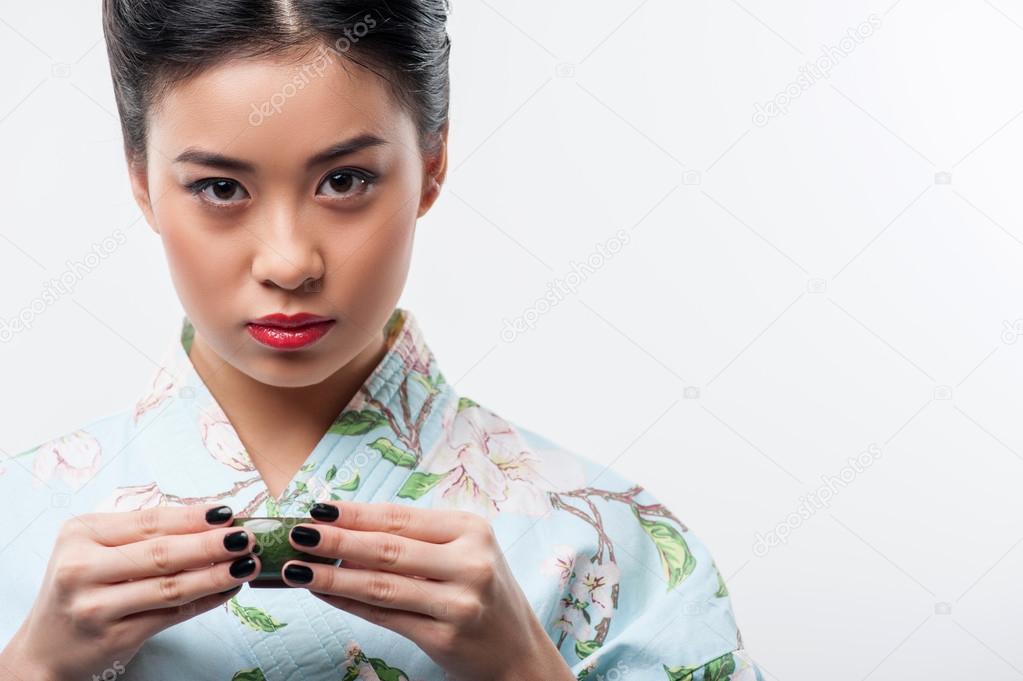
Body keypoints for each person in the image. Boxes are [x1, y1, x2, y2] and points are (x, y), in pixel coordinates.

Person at [0, 1, 763, 679]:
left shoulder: (608, 539)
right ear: (141, 182)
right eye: (220, 188)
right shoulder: (16, 523)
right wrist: (32, 666)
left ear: (430, 163)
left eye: (345, 181)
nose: (289, 261)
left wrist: (521, 668)